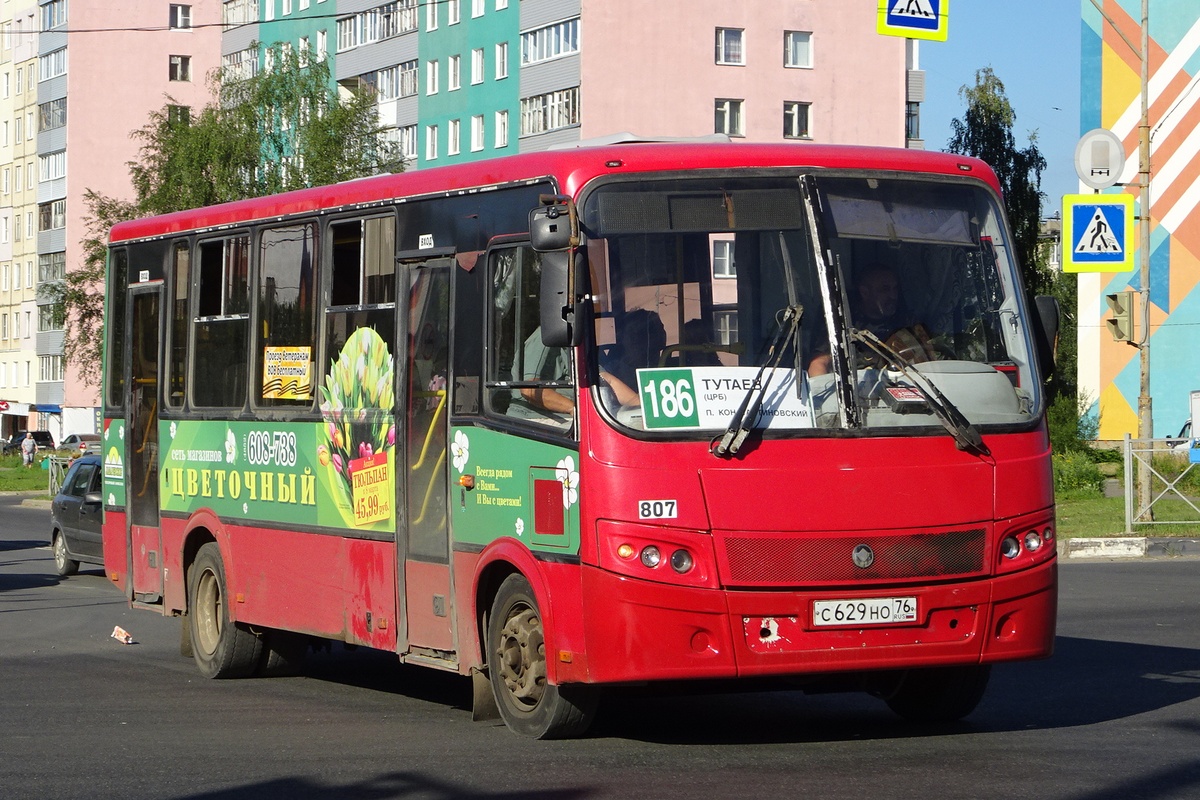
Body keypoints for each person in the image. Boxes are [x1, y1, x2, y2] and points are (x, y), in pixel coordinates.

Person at [808, 263, 938, 376]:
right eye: (884, 289)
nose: (892, 296)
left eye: (895, 289)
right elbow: (819, 363)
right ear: (865, 292)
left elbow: (930, 364)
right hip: (858, 396)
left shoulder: (907, 323)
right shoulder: (843, 323)